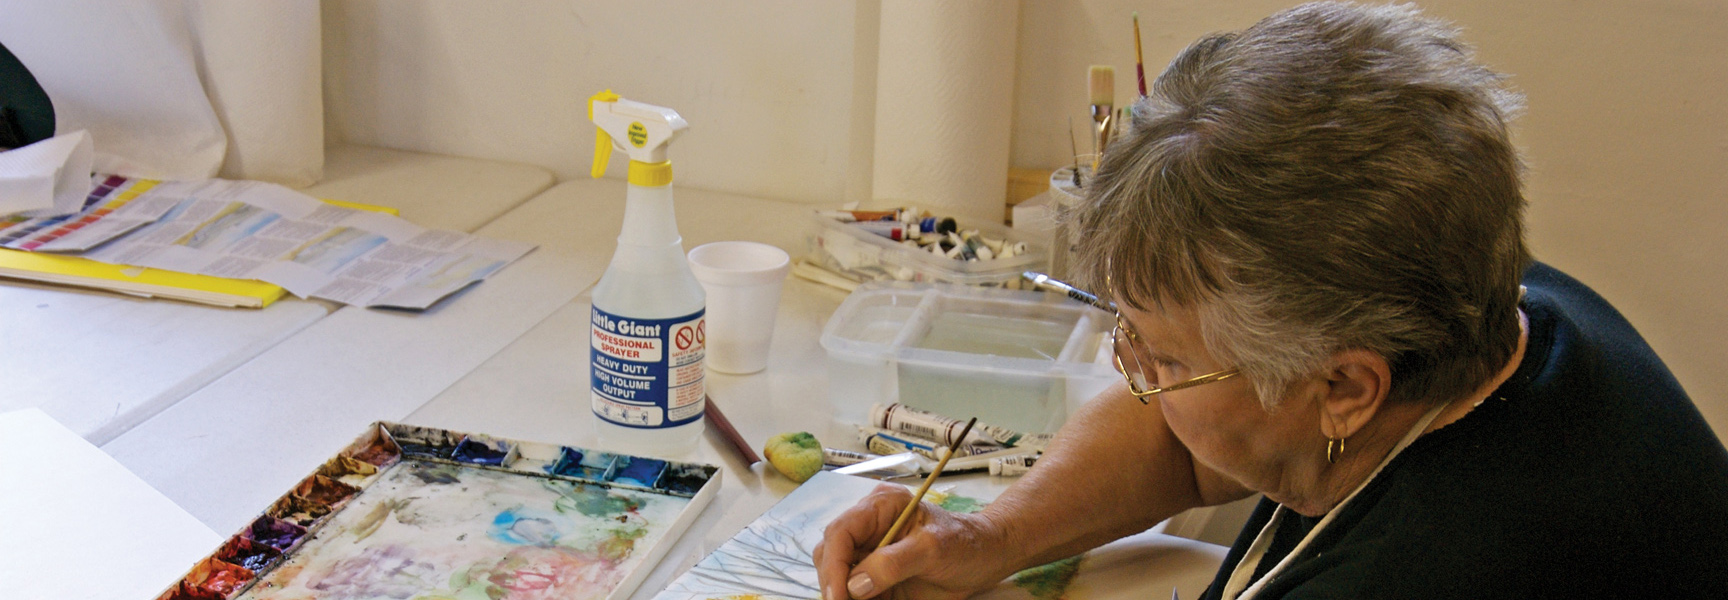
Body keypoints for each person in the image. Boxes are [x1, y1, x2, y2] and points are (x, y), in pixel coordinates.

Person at [813, 3, 1728, 599]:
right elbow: (1198, 446)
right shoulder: (1498, 312)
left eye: (1162, 361)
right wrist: (989, 535)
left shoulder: (1444, 567)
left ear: (1345, 387)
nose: (1139, 381)